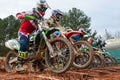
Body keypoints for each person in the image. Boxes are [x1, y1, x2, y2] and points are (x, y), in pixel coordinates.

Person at [15, 0, 49, 71]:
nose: (44, 10)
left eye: (45, 9)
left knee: (42, 45)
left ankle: (38, 63)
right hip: (23, 31)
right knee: (24, 44)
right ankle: (19, 64)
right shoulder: (31, 12)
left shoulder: (41, 18)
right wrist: (23, 16)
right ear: (39, 6)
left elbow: (46, 23)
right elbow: (18, 14)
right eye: (43, 8)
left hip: (32, 33)